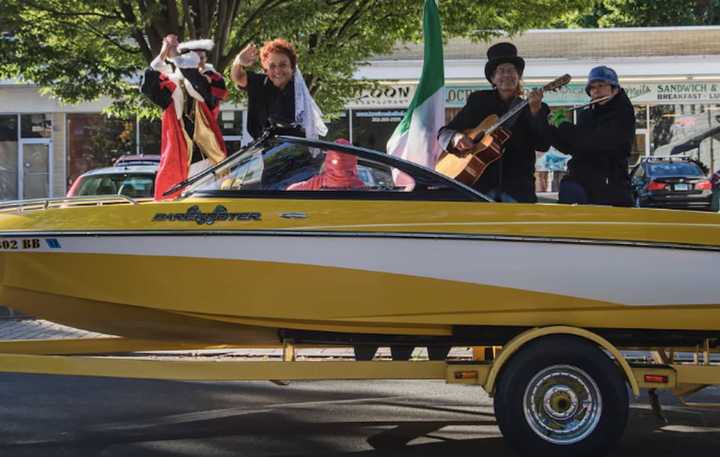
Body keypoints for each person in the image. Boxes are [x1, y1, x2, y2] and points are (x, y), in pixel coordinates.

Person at [438, 42, 550, 203]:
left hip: (517, 189)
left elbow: (543, 144)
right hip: (478, 187)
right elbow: (444, 133)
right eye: (501, 71)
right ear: (493, 78)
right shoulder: (478, 101)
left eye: (512, 70)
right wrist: (456, 138)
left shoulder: (536, 107)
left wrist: (535, 112)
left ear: (518, 77)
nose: (507, 75)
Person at [528, 65, 635, 206]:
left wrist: (564, 125)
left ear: (614, 89)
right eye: (592, 87)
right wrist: (549, 126)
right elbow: (571, 147)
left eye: (601, 85)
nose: (596, 91)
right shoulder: (588, 114)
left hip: (609, 186)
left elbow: (593, 143)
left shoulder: (622, 113)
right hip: (580, 183)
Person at [141, 34, 229, 200]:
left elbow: (197, 82)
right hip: (183, 161)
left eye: (202, 58)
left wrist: (175, 57)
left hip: (210, 159)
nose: (200, 62)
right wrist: (163, 53)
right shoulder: (173, 87)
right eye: (196, 57)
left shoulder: (212, 80)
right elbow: (148, 85)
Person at [231, 38, 327, 140]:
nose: (277, 70)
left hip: (297, 150)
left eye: (283, 65)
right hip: (264, 151)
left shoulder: (299, 93)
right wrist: (238, 62)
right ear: (266, 69)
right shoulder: (261, 83)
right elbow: (238, 77)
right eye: (272, 66)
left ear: (292, 67)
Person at [287, 139, 364, 190]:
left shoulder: (318, 182)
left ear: (328, 160)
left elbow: (291, 189)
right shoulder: (358, 186)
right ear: (353, 161)